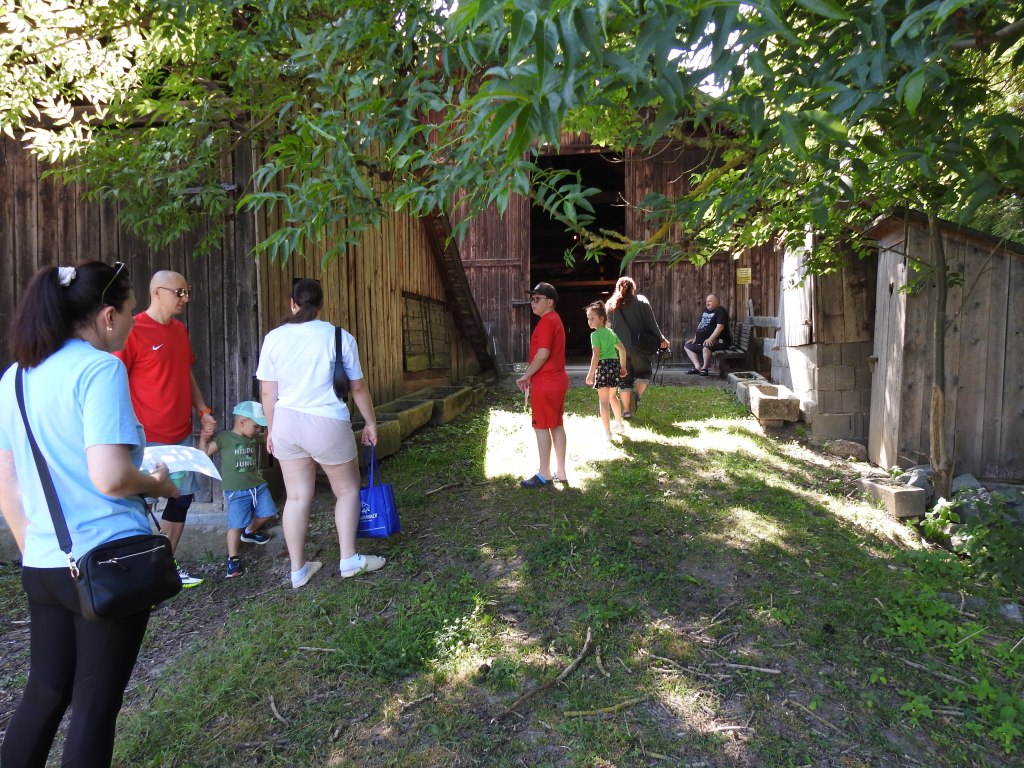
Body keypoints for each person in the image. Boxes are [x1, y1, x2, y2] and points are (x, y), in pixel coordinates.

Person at [0, 262, 180, 767]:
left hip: (43, 562)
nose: (130, 324)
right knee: (95, 706)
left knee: (44, 694)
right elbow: (111, 477)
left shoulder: (14, 378)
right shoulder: (100, 369)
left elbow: (6, 480)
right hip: (108, 562)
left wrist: (35, 549)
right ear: (106, 316)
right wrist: (158, 483)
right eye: (127, 313)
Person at [256, 278, 385, 589]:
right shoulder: (339, 337)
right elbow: (358, 387)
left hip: (287, 423)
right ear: (321, 304)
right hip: (326, 423)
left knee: (297, 496)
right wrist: (370, 422)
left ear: (293, 303)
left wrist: (271, 430)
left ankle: (298, 570)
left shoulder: (273, 338)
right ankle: (348, 559)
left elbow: (267, 393)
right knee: (347, 490)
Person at [113, 270, 216, 588]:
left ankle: (164, 568)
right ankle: (133, 572)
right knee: (139, 503)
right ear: (157, 292)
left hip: (181, 434)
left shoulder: (180, 331)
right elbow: (114, 380)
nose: (185, 298)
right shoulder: (133, 330)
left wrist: (203, 409)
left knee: (180, 499)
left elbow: (184, 372)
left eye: (187, 292)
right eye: (179, 292)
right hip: (145, 437)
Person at [198, 400, 277, 579]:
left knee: (268, 511)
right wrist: (204, 438)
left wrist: (270, 429)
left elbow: (265, 438)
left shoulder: (252, 437)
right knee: (235, 525)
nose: (258, 430)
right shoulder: (225, 438)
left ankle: (249, 532)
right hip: (236, 491)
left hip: (257, 485)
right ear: (242, 422)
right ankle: (233, 558)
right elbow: (205, 453)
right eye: (256, 426)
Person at [516, 282, 570, 488]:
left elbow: (543, 353)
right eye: (532, 299)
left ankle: (544, 474)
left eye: (537, 299)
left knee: (540, 427)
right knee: (556, 425)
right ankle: (561, 472)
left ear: (550, 302)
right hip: (557, 381)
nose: (532, 303)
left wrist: (526, 376)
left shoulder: (547, 321)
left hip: (546, 383)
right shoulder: (555, 320)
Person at [605, 276, 669, 419]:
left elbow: (608, 330)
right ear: (633, 288)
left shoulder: (609, 304)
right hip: (640, 348)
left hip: (619, 350)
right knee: (643, 374)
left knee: (624, 380)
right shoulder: (641, 301)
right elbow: (652, 323)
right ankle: (637, 395)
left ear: (617, 288)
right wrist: (661, 339)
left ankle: (626, 411)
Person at [583, 301, 628, 440]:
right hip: (614, 366)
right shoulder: (611, 333)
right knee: (612, 397)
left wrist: (591, 374)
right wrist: (623, 366)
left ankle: (608, 432)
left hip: (603, 367)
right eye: (588, 319)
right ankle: (619, 424)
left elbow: (596, 356)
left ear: (602, 318)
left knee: (603, 401)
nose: (589, 321)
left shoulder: (595, 336)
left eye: (592, 318)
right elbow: (622, 350)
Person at [683, 294, 732, 376]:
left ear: (716, 302)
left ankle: (704, 369)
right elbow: (701, 325)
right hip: (703, 341)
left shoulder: (720, 311)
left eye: (710, 301)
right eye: (707, 302)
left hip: (720, 341)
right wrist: (695, 338)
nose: (707, 303)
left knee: (707, 344)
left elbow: (720, 327)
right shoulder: (705, 310)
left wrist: (710, 338)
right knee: (687, 346)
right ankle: (698, 367)